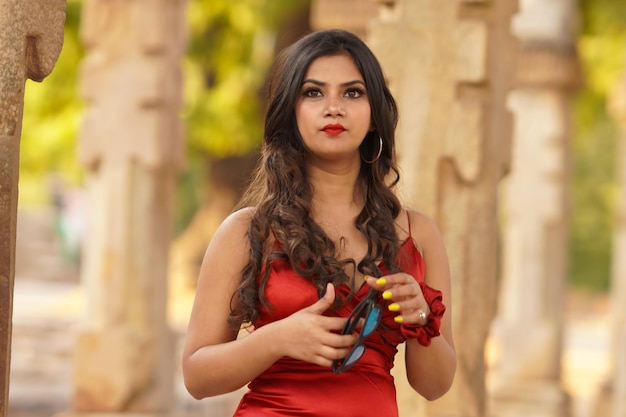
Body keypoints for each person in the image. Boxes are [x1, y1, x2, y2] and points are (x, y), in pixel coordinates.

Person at [182, 29, 456, 417]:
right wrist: (278, 339)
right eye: (313, 92)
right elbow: (196, 377)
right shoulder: (245, 232)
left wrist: (421, 320)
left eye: (352, 92)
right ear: (291, 113)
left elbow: (435, 386)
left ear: (375, 113)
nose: (334, 107)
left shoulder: (418, 234)